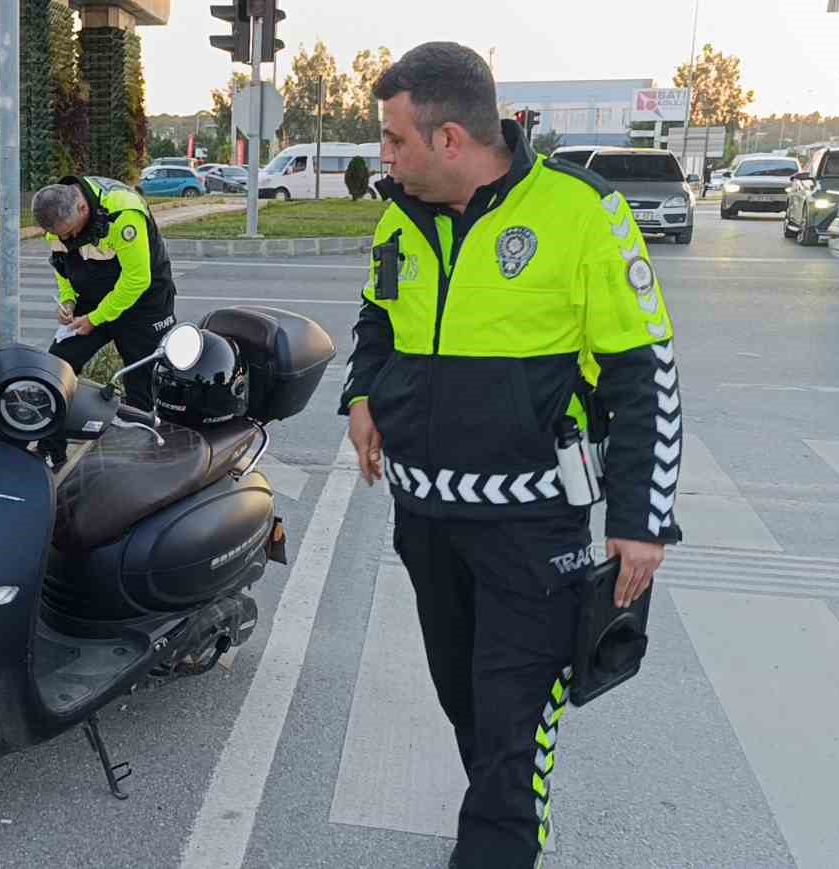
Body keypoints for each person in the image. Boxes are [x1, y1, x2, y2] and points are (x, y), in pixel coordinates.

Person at [339, 43, 682, 868]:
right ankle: (514, 816)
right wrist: (360, 398)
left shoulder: (580, 214)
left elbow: (646, 373)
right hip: (425, 525)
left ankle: (503, 833)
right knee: (471, 712)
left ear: (450, 138)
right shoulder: (399, 218)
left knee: (508, 733)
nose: (383, 157)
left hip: (533, 534)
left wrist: (643, 518)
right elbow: (376, 324)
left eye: (395, 139)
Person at [31, 175, 178, 464]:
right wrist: (69, 300)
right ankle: (50, 449)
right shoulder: (58, 223)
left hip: (145, 303)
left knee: (142, 381)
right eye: (61, 236)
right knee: (57, 365)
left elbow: (137, 279)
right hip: (94, 301)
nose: (67, 239)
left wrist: (96, 319)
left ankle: (143, 455)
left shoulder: (123, 213)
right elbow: (63, 269)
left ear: (83, 209)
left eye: (70, 233)